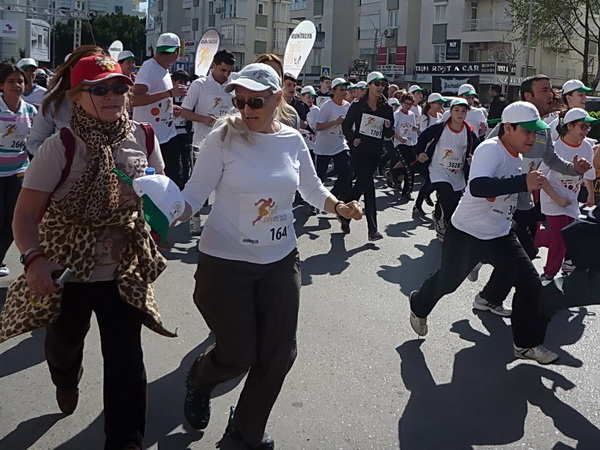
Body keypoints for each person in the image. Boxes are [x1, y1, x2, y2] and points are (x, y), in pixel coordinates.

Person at [179, 63, 363, 450]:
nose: (245, 109)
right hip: (225, 264)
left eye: (255, 101)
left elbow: (311, 189)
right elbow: (194, 194)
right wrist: (164, 214)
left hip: (279, 260)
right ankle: (200, 378)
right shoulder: (222, 138)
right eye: (239, 101)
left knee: (280, 353)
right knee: (237, 354)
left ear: (277, 99)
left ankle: (244, 430)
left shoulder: (292, 140)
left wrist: (338, 207)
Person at [0, 54, 175, 449]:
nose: (112, 95)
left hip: (122, 268)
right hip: (66, 268)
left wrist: (159, 224)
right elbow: (24, 215)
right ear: (77, 97)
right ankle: (65, 379)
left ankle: (125, 442)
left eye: (119, 87)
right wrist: (34, 259)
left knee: (126, 361)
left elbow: (157, 195)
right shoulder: (60, 146)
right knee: (63, 347)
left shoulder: (144, 136)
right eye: (100, 89)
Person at [409, 101, 559, 365]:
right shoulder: (490, 149)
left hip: (500, 235)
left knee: (530, 284)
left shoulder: (518, 157)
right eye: (527, 131)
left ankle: (525, 344)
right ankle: (418, 304)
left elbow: (510, 198)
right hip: (467, 233)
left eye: (535, 132)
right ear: (508, 128)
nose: (532, 138)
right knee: (448, 282)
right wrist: (523, 182)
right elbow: (478, 187)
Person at [474, 75, 592, 311]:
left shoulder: (544, 130)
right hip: (500, 201)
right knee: (521, 253)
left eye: (551, 90)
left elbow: (552, 159)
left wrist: (574, 169)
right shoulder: (508, 126)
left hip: (525, 200)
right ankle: (481, 263)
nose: (551, 95)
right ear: (528, 96)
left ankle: (489, 296)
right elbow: (485, 155)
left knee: (524, 252)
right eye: (544, 91)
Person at [536, 108, 596, 281]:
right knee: (561, 238)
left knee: (570, 236)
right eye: (582, 126)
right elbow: (540, 177)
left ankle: (532, 237)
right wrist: (557, 199)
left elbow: (588, 174)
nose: (586, 131)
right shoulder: (555, 148)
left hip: (571, 201)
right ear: (570, 126)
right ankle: (548, 274)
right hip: (552, 199)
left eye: (588, 127)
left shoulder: (587, 147)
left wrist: (590, 194)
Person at [181, 49, 235, 235]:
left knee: (227, 185)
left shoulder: (233, 86)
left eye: (229, 71)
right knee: (198, 183)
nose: (226, 75)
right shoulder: (199, 85)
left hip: (228, 144)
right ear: (213, 65)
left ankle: (221, 222)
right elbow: (184, 111)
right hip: (201, 143)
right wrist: (205, 119)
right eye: (222, 70)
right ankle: (194, 220)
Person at [414, 98, 479, 239]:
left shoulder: (469, 133)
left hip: (457, 173)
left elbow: (478, 150)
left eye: (463, 111)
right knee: (445, 192)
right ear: (451, 112)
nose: (460, 114)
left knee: (454, 202)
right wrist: (420, 153)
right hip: (438, 169)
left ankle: (439, 217)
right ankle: (441, 224)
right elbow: (423, 138)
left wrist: (472, 159)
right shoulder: (440, 128)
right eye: (457, 110)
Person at [343, 71, 395, 241]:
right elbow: (346, 126)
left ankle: (343, 214)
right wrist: (353, 139)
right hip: (359, 151)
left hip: (375, 152)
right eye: (377, 84)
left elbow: (389, 133)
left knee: (360, 185)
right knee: (369, 188)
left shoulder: (386, 108)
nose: (380, 87)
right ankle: (373, 229)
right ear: (369, 85)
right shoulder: (358, 105)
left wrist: (387, 127)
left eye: (383, 84)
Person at [26, 45, 105, 156]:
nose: (93, 73)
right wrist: (64, 159)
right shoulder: (55, 102)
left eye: (99, 68)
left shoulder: (114, 99)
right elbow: (34, 143)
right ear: (72, 69)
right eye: (86, 67)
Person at [132, 32, 188, 189]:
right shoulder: (149, 67)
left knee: (173, 182)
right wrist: (169, 93)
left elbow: (155, 99)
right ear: (177, 51)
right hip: (151, 140)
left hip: (166, 135)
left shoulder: (163, 69)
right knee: (159, 185)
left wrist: (170, 108)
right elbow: (135, 99)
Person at [0, 63, 36, 277]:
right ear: (1, 85)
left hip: (19, 172)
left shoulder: (30, 110)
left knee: (14, 220)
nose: (17, 85)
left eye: (20, 81)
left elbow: (34, 141)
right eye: (11, 81)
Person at [314, 77, 352, 231]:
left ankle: (333, 196)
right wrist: (335, 122)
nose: (344, 92)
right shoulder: (327, 106)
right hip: (324, 147)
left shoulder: (348, 106)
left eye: (345, 90)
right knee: (319, 177)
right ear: (334, 91)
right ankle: (313, 202)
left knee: (347, 172)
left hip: (340, 145)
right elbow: (318, 126)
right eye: (341, 89)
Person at [389, 93, 418, 199]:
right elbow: (392, 130)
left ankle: (393, 173)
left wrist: (415, 128)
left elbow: (412, 126)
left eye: (410, 104)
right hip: (400, 144)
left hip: (410, 143)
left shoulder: (411, 114)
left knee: (412, 167)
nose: (408, 106)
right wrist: (400, 138)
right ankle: (406, 192)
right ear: (401, 103)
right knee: (408, 168)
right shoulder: (397, 114)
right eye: (406, 104)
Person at [171, 69, 193, 185]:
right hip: (170, 132)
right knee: (173, 159)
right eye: (179, 81)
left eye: (184, 82)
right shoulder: (167, 94)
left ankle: (184, 183)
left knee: (186, 159)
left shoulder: (190, 95)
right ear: (173, 81)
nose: (182, 84)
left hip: (184, 132)